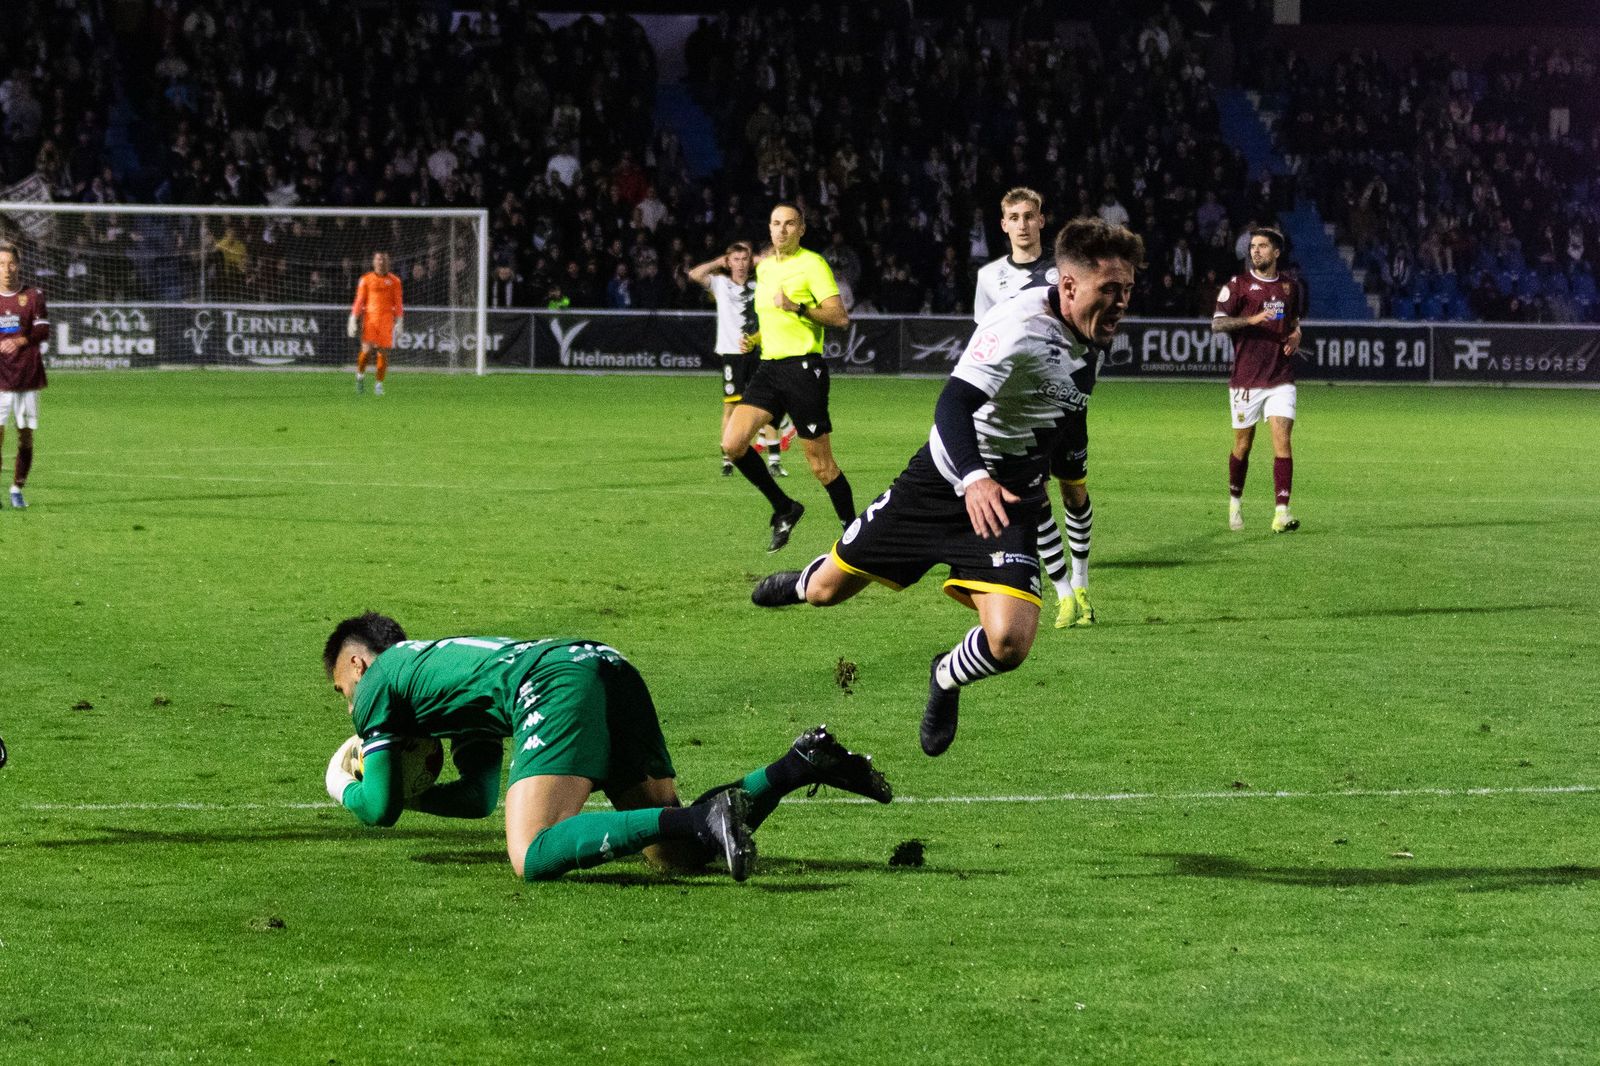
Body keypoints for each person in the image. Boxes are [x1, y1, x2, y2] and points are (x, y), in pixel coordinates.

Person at [752, 218, 1143, 757]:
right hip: (941, 481)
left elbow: (1067, 404)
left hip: (1010, 500)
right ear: (1070, 285)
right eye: (1111, 290)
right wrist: (975, 476)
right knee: (826, 593)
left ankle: (945, 675)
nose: (1122, 302)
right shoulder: (1018, 325)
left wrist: (1068, 469)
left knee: (1009, 643)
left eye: (1127, 289)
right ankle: (800, 583)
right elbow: (953, 404)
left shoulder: (1094, 330)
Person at [322, 612, 891, 882]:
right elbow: (476, 797)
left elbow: (380, 809)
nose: (350, 704)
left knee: (532, 854)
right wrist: (412, 791)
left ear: (356, 662)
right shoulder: (441, 674)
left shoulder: (377, 684)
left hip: (551, 682)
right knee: (673, 855)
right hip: (601, 663)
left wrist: (346, 786)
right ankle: (796, 766)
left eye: (342, 690)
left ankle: (703, 815)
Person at [973, 187, 1100, 630]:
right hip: (1019, 410)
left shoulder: (1065, 271)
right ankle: (1063, 591)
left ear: (1042, 220)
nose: (1023, 223)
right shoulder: (989, 279)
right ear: (1003, 223)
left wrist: (1079, 386)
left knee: (1073, 492)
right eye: (1014, 216)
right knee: (1035, 498)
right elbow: (984, 341)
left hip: (1066, 404)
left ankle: (1082, 583)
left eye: (1031, 215)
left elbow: (1092, 330)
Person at [720, 204, 855, 552]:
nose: (781, 230)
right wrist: (755, 339)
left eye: (789, 223)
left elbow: (839, 317)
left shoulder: (813, 264)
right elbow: (772, 322)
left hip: (803, 370)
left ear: (801, 229)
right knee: (733, 444)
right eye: (776, 223)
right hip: (769, 368)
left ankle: (854, 533)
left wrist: (798, 307)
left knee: (821, 466)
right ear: (769, 228)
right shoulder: (764, 270)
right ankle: (784, 508)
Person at [1211, 227, 1304, 533]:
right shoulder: (1238, 286)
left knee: (1282, 439)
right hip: (1246, 380)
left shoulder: (1290, 287)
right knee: (1243, 445)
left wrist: (1296, 335)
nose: (1256, 251)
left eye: (1262, 246)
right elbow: (1217, 323)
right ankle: (1235, 501)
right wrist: (1250, 320)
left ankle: (1281, 512)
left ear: (1276, 252)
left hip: (1280, 376)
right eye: (1253, 246)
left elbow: (1293, 322)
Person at [687, 241, 788, 479]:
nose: (741, 264)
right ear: (728, 262)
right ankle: (728, 459)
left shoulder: (760, 284)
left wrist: (759, 261)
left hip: (759, 352)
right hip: (733, 354)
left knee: (766, 406)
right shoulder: (720, 285)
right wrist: (717, 262)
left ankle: (774, 460)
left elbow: (779, 274)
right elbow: (694, 274)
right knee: (731, 407)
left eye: (745, 260)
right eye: (735, 260)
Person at [0, 241, 49, 508]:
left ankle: (17, 488)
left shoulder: (33, 296)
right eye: (1, 264)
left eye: (11, 263)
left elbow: (43, 331)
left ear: (18, 265)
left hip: (27, 378)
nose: (6, 270)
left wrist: (18, 341)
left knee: (25, 435)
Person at [347, 251, 404, 396]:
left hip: (386, 321)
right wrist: (353, 318)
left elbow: (398, 303)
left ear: (388, 262)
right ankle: (360, 376)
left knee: (382, 353)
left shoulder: (395, 281)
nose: (381, 262)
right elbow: (359, 301)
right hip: (370, 320)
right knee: (366, 352)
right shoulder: (365, 279)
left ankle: (379, 384)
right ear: (374, 261)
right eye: (379, 259)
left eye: (384, 259)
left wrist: (400, 321)